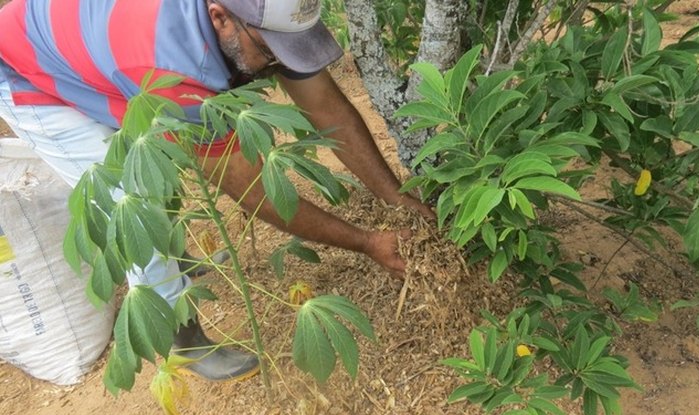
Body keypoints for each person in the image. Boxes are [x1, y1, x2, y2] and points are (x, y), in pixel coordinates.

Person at [0, 0, 433, 382]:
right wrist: (367, 243)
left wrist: (396, 197)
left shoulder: (257, 17)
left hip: (93, 46)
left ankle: (182, 261)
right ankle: (181, 336)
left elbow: (325, 106)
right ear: (219, 17)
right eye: (269, 52)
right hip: (31, 74)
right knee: (131, 203)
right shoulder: (172, 66)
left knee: (158, 163)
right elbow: (255, 191)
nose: (275, 66)